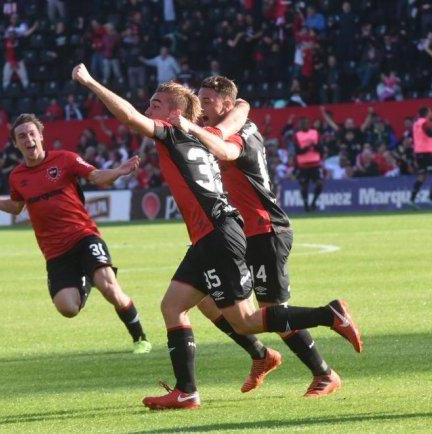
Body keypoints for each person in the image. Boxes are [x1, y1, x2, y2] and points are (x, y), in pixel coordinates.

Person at [72, 63, 363, 411]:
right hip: (210, 236)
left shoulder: (179, 132)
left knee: (249, 319)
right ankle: (189, 390)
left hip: (222, 233)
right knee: (176, 306)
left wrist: (90, 82)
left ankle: (328, 316)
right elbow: (238, 110)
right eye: (150, 103)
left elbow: (133, 119)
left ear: (175, 113)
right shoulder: (198, 134)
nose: (150, 108)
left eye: (157, 104)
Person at [175, 75, 341, 397]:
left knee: (270, 312)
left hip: (264, 230)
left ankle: (324, 369)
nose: (202, 107)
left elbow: (226, 152)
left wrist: (199, 128)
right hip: (237, 232)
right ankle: (259, 355)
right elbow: (238, 109)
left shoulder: (238, 132)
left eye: (207, 101)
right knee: (207, 302)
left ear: (225, 103)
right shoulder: (228, 120)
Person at [0, 113, 152, 354]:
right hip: (55, 251)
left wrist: (118, 171)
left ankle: (140, 338)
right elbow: (15, 207)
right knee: (68, 308)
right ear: (16, 144)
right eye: (22, 136)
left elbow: (97, 176)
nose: (28, 139)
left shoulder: (65, 159)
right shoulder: (17, 177)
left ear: (41, 137)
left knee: (109, 287)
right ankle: (86, 277)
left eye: (32, 134)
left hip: (84, 236)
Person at [410, 107, 432, 208]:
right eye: (430, 112)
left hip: (419, 153)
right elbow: (429, 133)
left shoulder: (416, 123)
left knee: (422, 176)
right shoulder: (425, 122)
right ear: (427, 113)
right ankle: (431, 198)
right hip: (427, 153)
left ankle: (411, 200)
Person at [294, 117, 323, 212]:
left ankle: (313, 202)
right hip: (303, 165)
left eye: (306, 123)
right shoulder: (297, 135)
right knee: (304, 186)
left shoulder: (315, 133)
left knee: (319, 183)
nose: (304, 125)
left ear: (309, 124)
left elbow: (320, 148)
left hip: (315, 164)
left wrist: (314, 145)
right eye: (302, 124)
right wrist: (308, 147)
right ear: (300, 125)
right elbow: (297, 151)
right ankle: (306, 204)